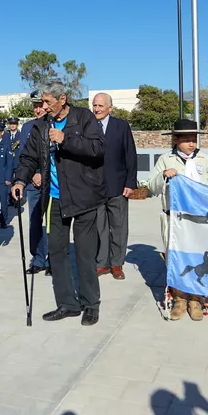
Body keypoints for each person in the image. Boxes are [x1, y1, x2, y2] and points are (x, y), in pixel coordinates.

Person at [13, 82, 106, 326]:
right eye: (41, 102)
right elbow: (29, 156)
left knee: (85, 253)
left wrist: (66, 140)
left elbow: (97, 149)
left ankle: (90, 304)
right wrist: (20, 180)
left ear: (62, 99)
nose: (43, 107)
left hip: (84, 197)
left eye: (47, 102)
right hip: (55, 197)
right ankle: (67, 304)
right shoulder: (41, 126)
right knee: (57, 251)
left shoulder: (83, 118)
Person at [147, 118, 208, 321]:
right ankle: (179, 298)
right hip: (174, 219)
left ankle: (195, 299)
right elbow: (151, 187)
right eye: (186, 139)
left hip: (198, 219)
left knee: (197, 257)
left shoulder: (205, 160)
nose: (191, 143)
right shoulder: (165, 159)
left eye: (194, 139)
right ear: (175, 139)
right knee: (175, 256)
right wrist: (163, 175)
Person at [91, 93, 137, 280]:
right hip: (95, 188)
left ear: (110, 108)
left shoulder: (121, 126)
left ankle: (117, 263)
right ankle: (102, 263)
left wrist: (130, 183)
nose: (97, 109)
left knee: (118, 227)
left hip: (118, 186)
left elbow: (130, 155)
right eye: (95, 105)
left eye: (101, 105)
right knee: (99, 227)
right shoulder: (88, 126)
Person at [16, 92, 51, 275]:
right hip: (33, 184)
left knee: (53, 223)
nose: (38, 109)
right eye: (35, 106)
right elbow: (25, 155)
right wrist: (32, 175)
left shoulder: (53, 124)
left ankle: (54, 259)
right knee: (35, 222)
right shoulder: (27, 127)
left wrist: (41, 174)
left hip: (51, 182)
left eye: (40, 105)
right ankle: (38, 259)